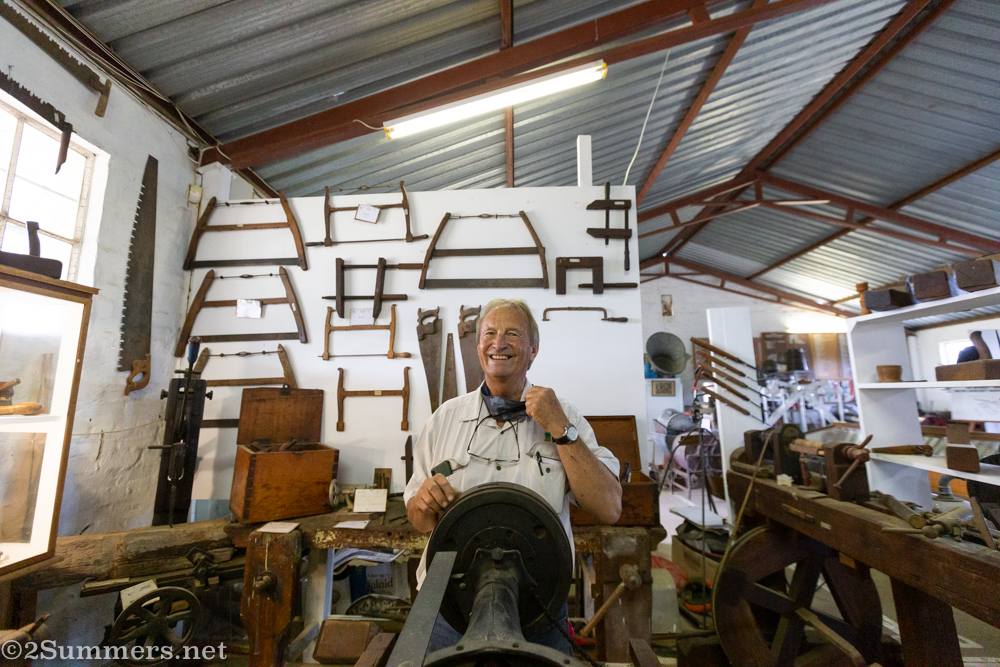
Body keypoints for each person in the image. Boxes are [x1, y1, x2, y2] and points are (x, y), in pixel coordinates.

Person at [403, 298, 622, 654]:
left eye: (512, 334)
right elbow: (418, 518)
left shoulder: (564, 415)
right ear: (478, 348)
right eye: (490, 333)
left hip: (537, 607)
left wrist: (560, 429)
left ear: (533, 350)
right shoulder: (444, 419)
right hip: (449, 606)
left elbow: (609, 508)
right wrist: (423, 504)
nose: (498, 342)